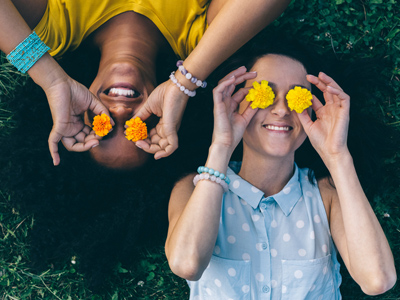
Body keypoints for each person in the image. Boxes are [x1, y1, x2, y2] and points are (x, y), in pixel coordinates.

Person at [165, 38, 397, 299]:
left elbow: (377, 279)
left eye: (296, 96)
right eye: (264, 92)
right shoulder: (192, 188)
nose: (281, 109)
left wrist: (337, 155)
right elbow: (186, 264)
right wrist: (222, 144)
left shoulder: (327, 196)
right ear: (234, 101)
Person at [0, 0, 290, 169]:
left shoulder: (53, 30)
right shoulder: (199, 36)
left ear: (80, 109)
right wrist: (186, 80)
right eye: (137, 128)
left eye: (104, 127)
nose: (122, 113)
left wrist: (50, 79)